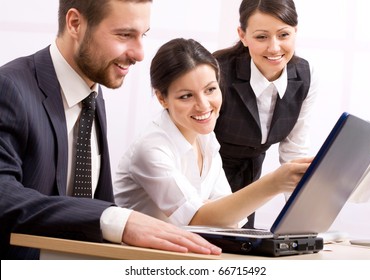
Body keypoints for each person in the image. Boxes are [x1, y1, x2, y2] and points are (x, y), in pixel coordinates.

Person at [0, 0, 221, 260]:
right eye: (125, 35)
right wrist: (116, 219)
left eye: (143, 35)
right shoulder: (10, 87)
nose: (139, 54)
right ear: (75, 24)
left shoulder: (92, 95)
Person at [114, 38, 312, 228]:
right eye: (186, 96)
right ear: (162, 99)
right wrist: (274, 183)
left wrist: (213, 212)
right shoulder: (151, 149)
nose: (203, 105)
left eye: (210, 90)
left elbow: (230, 219)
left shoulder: (205, 138)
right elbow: (199, 220)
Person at [212, 0, 319, 228]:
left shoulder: (305, 76)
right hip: (205, 177)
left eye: (283, 35)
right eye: (261, 37)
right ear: (243, 35)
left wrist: (299, 222)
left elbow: (294, 151)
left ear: (295, 32)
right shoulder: (217, 71)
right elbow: (198, 146)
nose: (274, 48)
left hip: (251, 181)